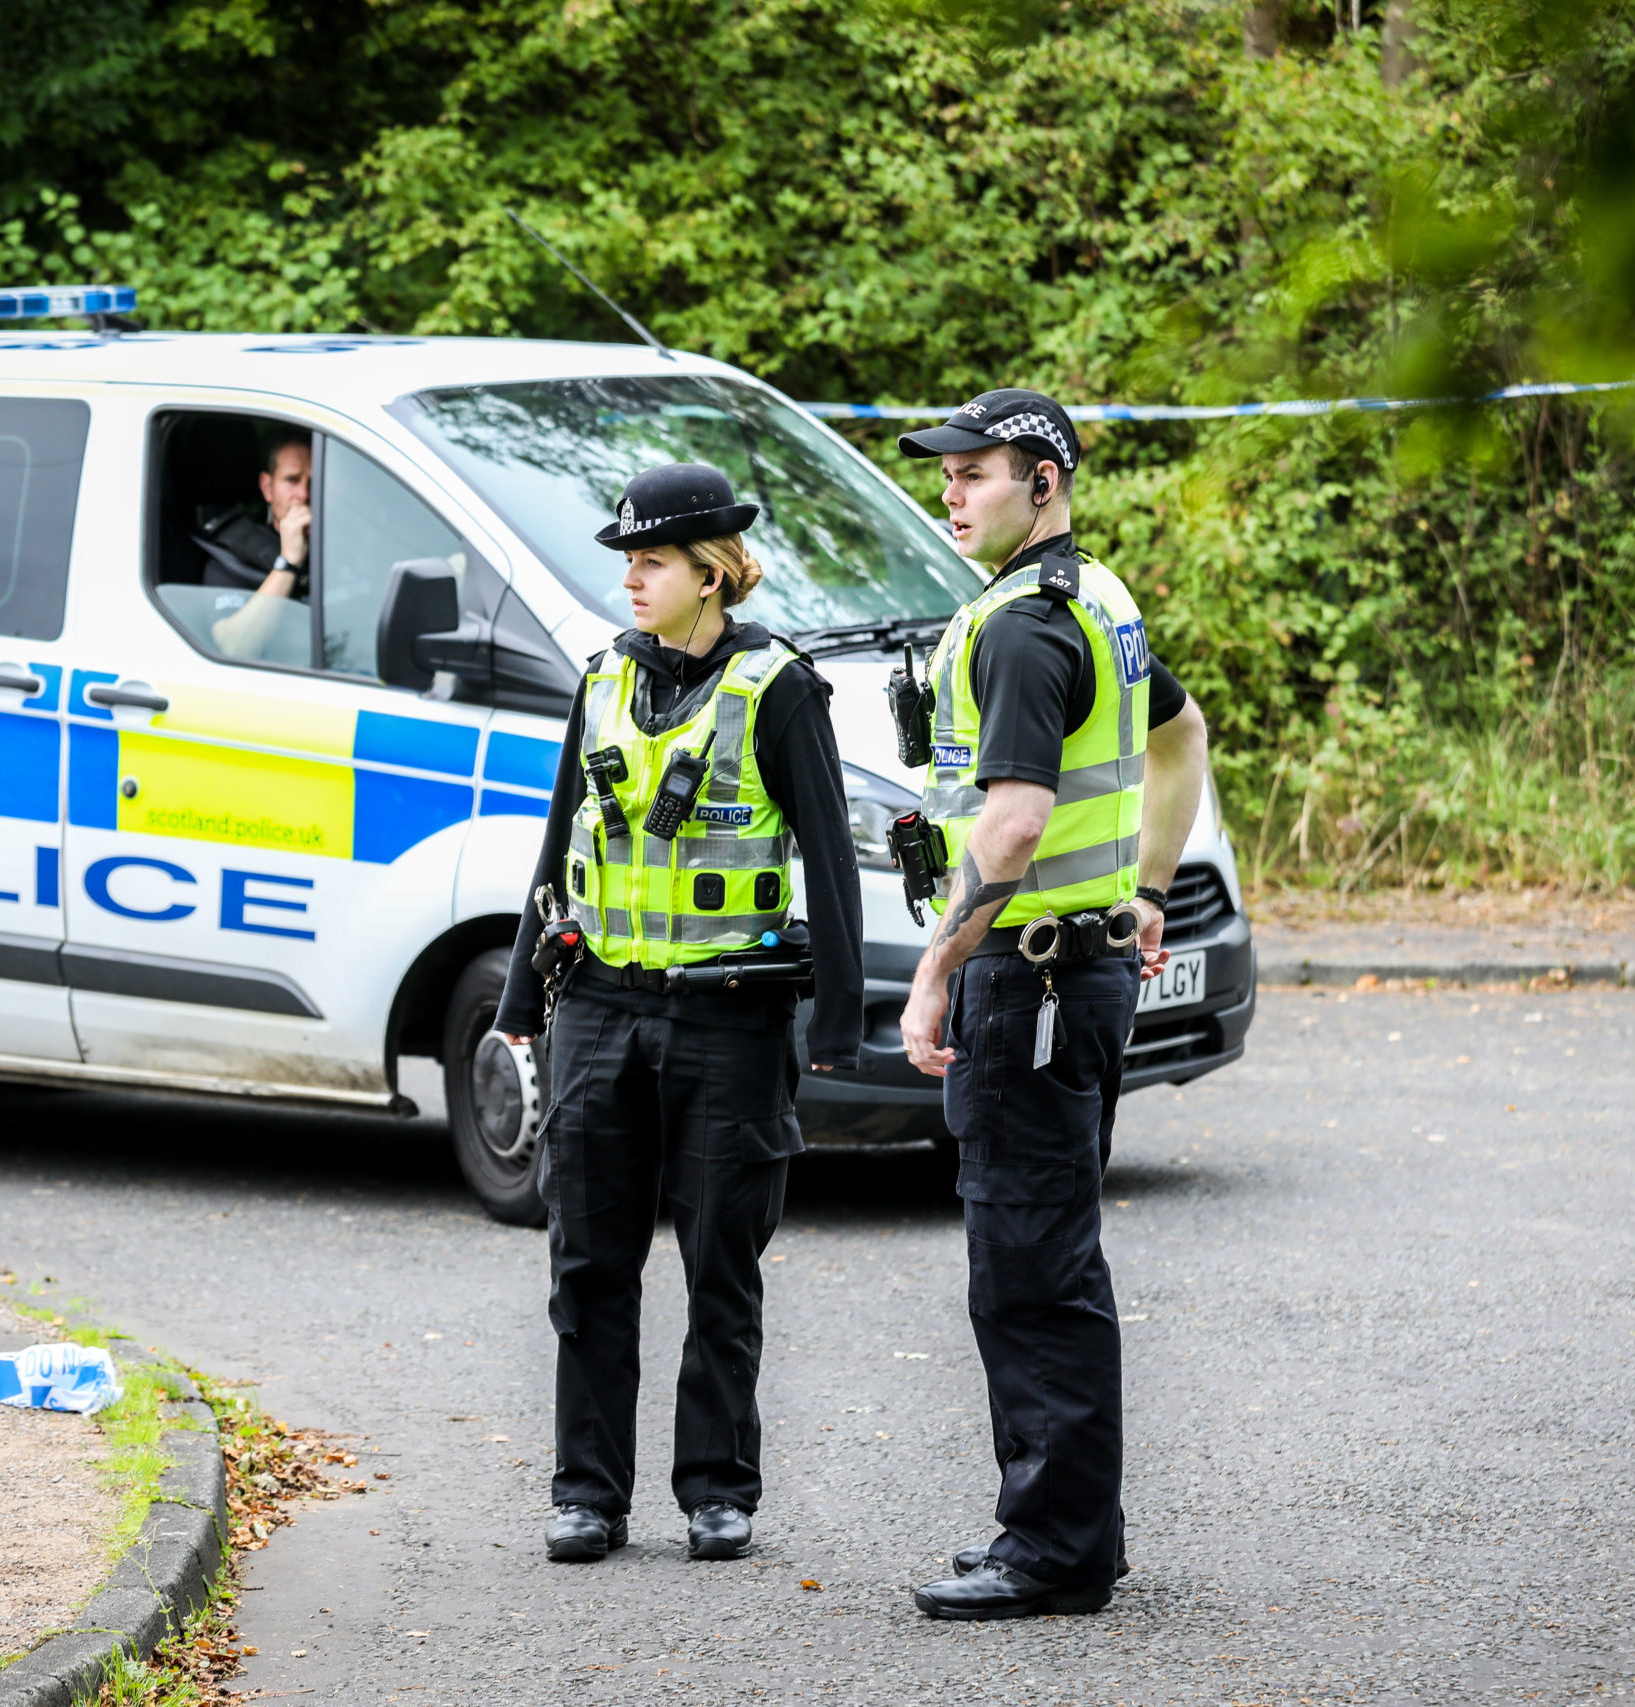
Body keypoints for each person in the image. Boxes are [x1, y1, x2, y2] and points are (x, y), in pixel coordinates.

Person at [493, 462, 864, 1567]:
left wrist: (836, 1023)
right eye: (629, 561)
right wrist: (521, 996)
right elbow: (560, 842)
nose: (633, 580)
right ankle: (587, 1496)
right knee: (587, 1266)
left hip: (732, 1016)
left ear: (713, 574)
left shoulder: (780, 688)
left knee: (720, 1266)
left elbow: (834, 866)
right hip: (599, 1007)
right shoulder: (601, 676)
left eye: (651, 562)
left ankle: (715, 1489)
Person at [889, 390, 1210, 1620]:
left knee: (1027, 1269)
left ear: (1043, 480)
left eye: (974, 473)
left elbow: (1015, 821)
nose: (952, 494)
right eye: (949, 474)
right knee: (1046, 1258)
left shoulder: (1022, 628)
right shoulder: (1099, 598)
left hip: (1024, 985)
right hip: (1074, 980)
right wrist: (1142, 888)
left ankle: (1056, 1554)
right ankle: (1062, 1531)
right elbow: (1182, 734)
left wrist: (932, 970)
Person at [203, 431, 311, 658]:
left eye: (315, 481)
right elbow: (235, 647)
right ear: (267, 487)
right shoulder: (234, 556)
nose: (304, 494)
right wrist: (289, 561)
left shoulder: (353, 544)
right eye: (292, 480)